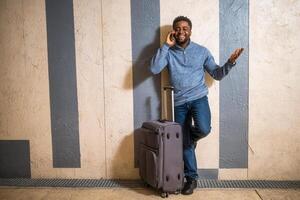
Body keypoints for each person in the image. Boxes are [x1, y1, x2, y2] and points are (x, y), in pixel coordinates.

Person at [150, 16, 243, 195]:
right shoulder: (168, 52)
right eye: (177, 28)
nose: (181, 31)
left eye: (185, 28)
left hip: (199, 98)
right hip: (178, 102)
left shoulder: (201, 51)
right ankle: (191, 179)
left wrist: (230, 63)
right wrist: (165, 46)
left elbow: (216, 74)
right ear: (173, 32)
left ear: (190, 31)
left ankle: (188, 138)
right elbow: (154, 69)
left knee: (204, 129)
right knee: (184, 142)